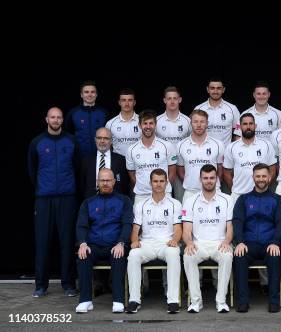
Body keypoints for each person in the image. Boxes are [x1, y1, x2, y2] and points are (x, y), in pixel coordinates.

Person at [27, 107, 78, 297]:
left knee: (67, 242)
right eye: (52, 117)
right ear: (46, 119)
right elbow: (32, 170)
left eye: (59, 117)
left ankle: (68, 284)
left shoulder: (71, 141)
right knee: (42, 242)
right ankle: (40, 285)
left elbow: (77, 167)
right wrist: (43, 187)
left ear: (63, 120)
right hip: (44, 199)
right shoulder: (37, 142)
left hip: (67, 198)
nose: (56, 120)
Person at [75, 168, 133, 313]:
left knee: (119, 255)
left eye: (108, 180)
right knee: (83, 255)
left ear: (114, 181)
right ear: (97, 182)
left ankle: (118, 300)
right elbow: (81, 225)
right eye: (102, 180)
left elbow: (127, 224)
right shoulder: (88, 203)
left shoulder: (124, 201)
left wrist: (121, 242)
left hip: (115, 244)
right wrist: (82, 243)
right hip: (93, 245)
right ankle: (85, 300)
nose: (105, 183)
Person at [232, 163, 281, 313]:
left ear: (269, 177)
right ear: (253, 177)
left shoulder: (278, 199)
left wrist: (276, 242)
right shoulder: (243, 199)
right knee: (239, 255)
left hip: (270, 243)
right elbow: (237, 221)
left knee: (275, 256)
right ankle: (243, 301)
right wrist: (240, 242)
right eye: (258, 176)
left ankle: (274, 301)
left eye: (264, 176)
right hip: (248, 243)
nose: (261, 179)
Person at [126, 169, 182, 314]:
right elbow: (135, 229)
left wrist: (175, 240)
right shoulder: (140, 204)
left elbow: (178, 229)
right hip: (147, 244)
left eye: (161, 181)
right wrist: (134, 241)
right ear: (150, 183)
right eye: (155, 181)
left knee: (173, 253)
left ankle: (173, 300)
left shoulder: (176, 204)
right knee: (133, 255)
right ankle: (134, 300)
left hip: (166, 243)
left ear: (167, 183)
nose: (158, 184)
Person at [182, 164, 234, 313]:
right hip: (199, 244)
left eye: (212, 178)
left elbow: (230, 227)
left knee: (227, 256)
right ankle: (196, 301)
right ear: (200, 179)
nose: (209, 181)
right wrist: (189, 242)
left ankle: (221, 301)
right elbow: (186, 230)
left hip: (220, 243)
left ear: (217, 179)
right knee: (188, 256)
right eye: (205, 178)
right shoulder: (190, 201)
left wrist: (227, 241)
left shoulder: (227, 200)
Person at [126, 110, 177, 205]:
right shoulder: (131, 149)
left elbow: (172, 172)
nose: (148, 127)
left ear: (155, 125)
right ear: (140, 125)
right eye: (145, 123)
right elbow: (132, 174)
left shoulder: (167, 146)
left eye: (151, 123)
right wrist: (142, 186)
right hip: (141, 196)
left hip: (164, 194)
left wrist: (161, 188)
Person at [223, 113, 277, 203]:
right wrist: (235, 189)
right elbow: (226, 173)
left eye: (251, 124)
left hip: (261, 195)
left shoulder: (266, 145)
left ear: (255, 126)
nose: (248, 127)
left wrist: (263, 187)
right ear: (240, 127)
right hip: (238, 195)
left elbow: (272, 170)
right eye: (245, 124)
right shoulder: (231, 147)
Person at [177, 109, 224, 203]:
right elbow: (180, 170)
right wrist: (192, 183)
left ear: (207, 123)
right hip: (190, 192)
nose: (199, 125)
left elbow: (220, 170)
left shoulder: (218, 144)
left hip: (214, 191)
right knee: (186, 217)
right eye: (195, 121)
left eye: (202, 122)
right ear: (191, 123)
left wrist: (210, 184)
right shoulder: (181, 145)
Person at [156, 86, 191, 202]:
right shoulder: (157, 121)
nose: (172, 101)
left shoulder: (188, 121)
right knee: (162, 201)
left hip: (182, 167)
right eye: (169, 98)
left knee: (181, 201)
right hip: (163, 167)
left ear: (180, 100)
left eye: (175, 98)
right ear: (164, 100)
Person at [79, 127, 130, 199]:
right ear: (95, 140)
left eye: (106, 138)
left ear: (111, 141)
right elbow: (82, 185)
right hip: (92, 202)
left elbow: (125, 185)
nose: (102, 141)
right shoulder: (86, 160)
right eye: (99, 138)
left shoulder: (120, 160)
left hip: (115, 202)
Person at [65, 80, 108, 157]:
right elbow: (68, 135)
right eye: (86, 92)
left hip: (101, 156)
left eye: (92, 92)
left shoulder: (104, 113)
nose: (90, 94)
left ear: (96, 94)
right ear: (81, 95)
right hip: (80, 157)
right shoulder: (73, 113)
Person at [194, 77, 241, 145]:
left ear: (223, 90)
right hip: (203, 153)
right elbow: (193, 132)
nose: (215, 91)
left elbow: (238, 133)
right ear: (207, 89)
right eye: (212, 88)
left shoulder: (232, 109)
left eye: (219, 88)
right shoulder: (199, 109)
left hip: (225, 154)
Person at [105, 88, 140, 157]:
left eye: (130, 100)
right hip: (118, 163)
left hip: (138, 162)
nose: (127, 103)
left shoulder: (142, 121)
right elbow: (107, 146)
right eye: (123, 100)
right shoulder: (110, 124)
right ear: (119, 102)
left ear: (134, 102)